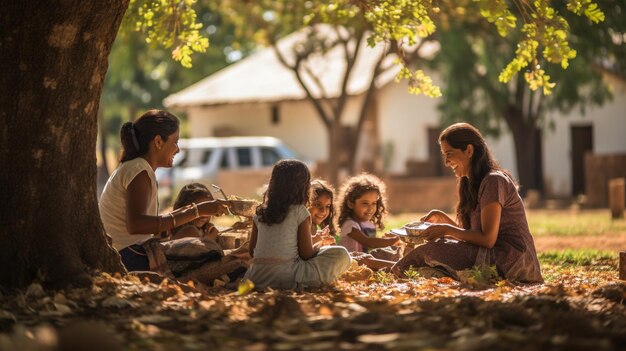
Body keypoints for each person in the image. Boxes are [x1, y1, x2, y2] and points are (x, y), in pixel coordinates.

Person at [391, 122, 543, 284]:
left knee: (433, 249)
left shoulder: (494, 180)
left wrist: (446, 230)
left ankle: (397, 270)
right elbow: (472, 235)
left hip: (512, 260)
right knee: (436, 249)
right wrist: (444, 221)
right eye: (444, 155)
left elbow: (487, 239)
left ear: (469, 150)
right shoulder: (469, 183)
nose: (446, 162)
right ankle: (406, 269)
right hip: (489, 255)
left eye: (449, 153)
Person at [99, 109, 229, 272]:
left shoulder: (137, 168)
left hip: (129, 253)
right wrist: (197, 211)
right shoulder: (139, 170)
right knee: (208, 249)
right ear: (158, 141)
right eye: (175, 142)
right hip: (128, 257)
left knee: (200, 244)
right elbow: (136, 225)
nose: (178, 149)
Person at [243, 160, 351, 290]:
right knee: (341, 254)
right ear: (304, 187)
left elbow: (252, 252)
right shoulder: (300, 211)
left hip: (256, 278)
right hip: (287, 278)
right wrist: (319, 245)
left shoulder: (260, 213)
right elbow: (306, 254)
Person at [336, 173, 402, 270]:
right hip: (351, 261)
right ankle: (399, 267)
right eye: (365, 203)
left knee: (393, 250)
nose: (370, 208)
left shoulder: (369, 225)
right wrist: (393, 240)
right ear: (350, 204)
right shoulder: (349, 225)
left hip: (367, 258)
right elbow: (369, 243)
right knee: (367, 259)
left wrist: (386, 240)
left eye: (374, 203)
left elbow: (373, 248)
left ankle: (399, 264)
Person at [308, 179, 337, 246]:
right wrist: (319, 239)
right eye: (318, 204)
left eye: (327, 206)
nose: (323, 211)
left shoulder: (317, 228)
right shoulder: (303, 228)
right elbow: (306, 250)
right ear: (306, 203)